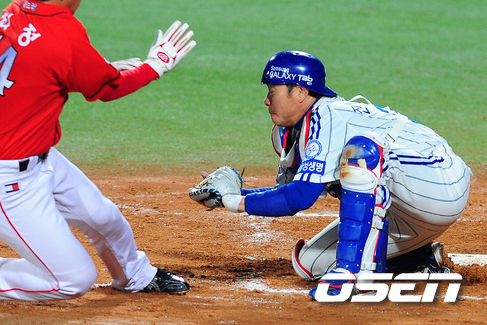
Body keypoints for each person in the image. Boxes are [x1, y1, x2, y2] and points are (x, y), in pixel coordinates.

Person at [0, 0, 196, 300]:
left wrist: (98, 67)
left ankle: (135, 276)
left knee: (102, 217)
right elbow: (106, 89)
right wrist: (155, 66)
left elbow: (40, 66)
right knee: (73, 280)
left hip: (37, 159)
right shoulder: (63, 32)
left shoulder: (13, 13)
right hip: (6, 185)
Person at [194, 50, 472, 299]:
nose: (266, 100)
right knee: (309, 263)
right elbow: (291, 191)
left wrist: (233, 202)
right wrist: (231, 195)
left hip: (437, 179)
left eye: (273, 91)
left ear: (300, 92)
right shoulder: (303, 128)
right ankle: (422, 258)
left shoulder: (327, 116)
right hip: (408, 205)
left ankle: (352, 275)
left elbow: (300, 198)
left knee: (361, 154)